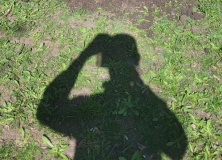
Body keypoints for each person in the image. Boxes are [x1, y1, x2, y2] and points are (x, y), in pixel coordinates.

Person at [37, 33, 188, 159]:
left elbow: (44, 115)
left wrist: (83, 57)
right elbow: (178, 148)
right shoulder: (153, 103)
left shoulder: (93, 103)